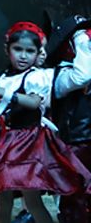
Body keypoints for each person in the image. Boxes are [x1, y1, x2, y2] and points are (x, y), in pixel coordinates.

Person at [0, 21, 90, 223]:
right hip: (2, 143)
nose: (23, 56)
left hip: (28, 143)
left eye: (29, 51)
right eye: (18, 49)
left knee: (32, 199)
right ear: (7, 49)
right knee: (2, 198)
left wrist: (2, 92)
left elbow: (33, 102)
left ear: (38, 54)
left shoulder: (36, 77)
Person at [47, 15, 91, 223]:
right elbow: (82, 76)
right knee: (75, 199)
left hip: (85, 144)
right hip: (74, 146)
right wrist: (80, 36)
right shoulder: (61, 75)